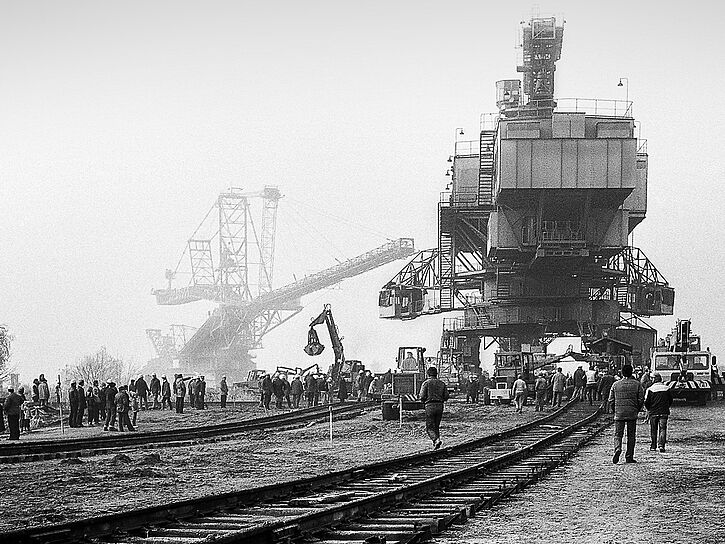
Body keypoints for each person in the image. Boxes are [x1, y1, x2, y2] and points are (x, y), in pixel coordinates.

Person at [608, 364, 645, 464]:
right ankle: (629, 456)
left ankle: (617, 449)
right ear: (631, 372)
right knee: (631, 435)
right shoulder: (637, 384)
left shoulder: (615, 384)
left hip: (619, 413)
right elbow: (641, 399)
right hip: (632, 413)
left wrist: (615, 410)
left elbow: (611, 400)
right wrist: (636, 409)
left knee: (618, 434)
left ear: (622, 373)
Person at [419, 366, 450, 450]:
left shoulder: (426, 383)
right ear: (436, 374)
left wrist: (423, 402)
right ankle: (437, 442)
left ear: (428, 374)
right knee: (436, 425)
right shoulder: (442, 383)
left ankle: (436, 440)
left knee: (429, 426)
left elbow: (422, 396)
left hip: (429, 405)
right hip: (440, 405)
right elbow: (446, 396)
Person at [644, 373, 673, 453]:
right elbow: (670, 400)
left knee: (654, 429)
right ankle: (661, 445)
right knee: (662, 429)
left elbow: (646, 402)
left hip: (653, 412)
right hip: (664, 412)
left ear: (654, 379)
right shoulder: (667, 388)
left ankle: (653, 446)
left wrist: (649, 409)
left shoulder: (650, 389)